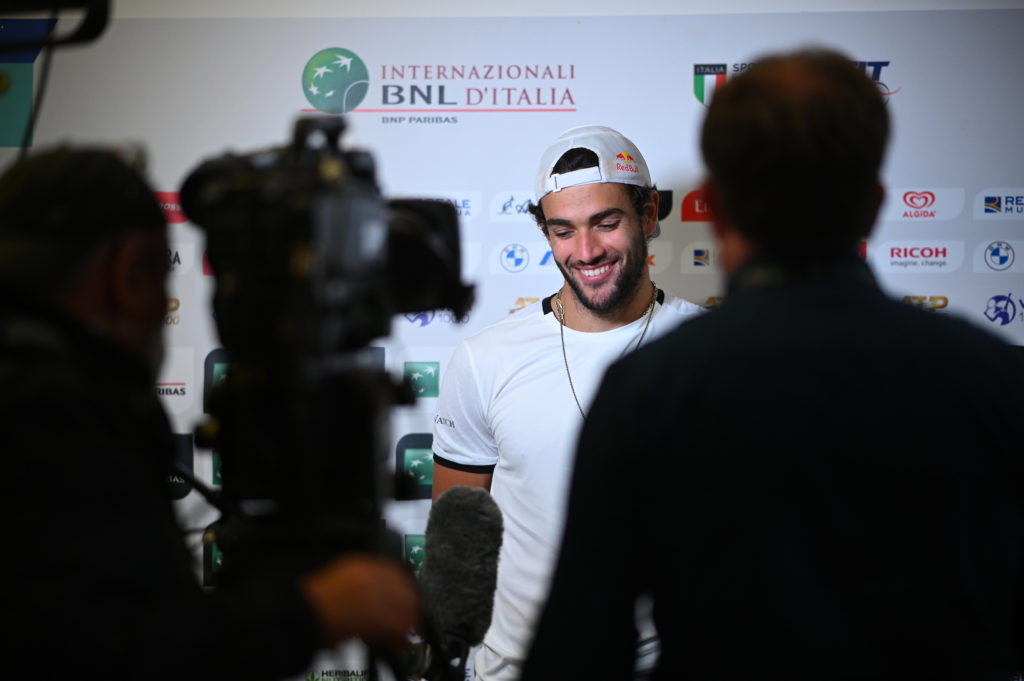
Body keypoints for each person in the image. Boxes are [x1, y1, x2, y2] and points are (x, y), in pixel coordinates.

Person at [522, 48, 1024, 680]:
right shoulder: (993, 377)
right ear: (874, 204)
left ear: (715, 208)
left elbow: (579, 651)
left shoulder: (649, 390)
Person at [0, 147, 420, 680]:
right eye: (160, 281)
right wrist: (314, 611)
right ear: (125, 275)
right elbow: (93, 653)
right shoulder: (46, 410)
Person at [431, 125, 702, 680]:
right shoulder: (486, 359)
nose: (587, 252)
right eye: (563, 230)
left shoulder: (714, 351)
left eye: (607, 222)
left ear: (648, 215)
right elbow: (458, 543)